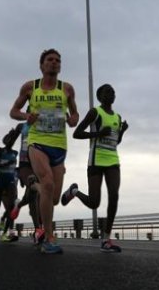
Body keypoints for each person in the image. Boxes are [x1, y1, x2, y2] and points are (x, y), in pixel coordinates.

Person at [10, 48, 79, 254]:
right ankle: (48, 237)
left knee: (53, 197)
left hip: (59, 145)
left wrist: (73, 119)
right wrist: (26, 117)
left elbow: (74, 114)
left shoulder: (66, 89)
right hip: (37, 142)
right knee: (48, 183)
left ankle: (34, 187)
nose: (54, 62)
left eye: (58, 60)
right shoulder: (30, 87)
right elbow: (13, 111)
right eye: (50, 60)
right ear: (41, 65)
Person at [61, 83, 129, 252]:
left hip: (113, 159)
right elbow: (77, 133)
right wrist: (98, 134)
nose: (111, 94)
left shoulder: (118, 117)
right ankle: (74, 192)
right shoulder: (95, 112)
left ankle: (106, 240)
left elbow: (115, 141)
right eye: (107, 92)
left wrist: (122, 132)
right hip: (96, 159)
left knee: (114, 195)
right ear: (100, 97)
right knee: (94, 203)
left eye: (113, 91)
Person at [0, 125, 22, 242]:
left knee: (12, 206)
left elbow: (18, 168)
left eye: (12, 139)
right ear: (4, 141)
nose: (10, 141)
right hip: (0, 182)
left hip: (11, 182)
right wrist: (4, 165)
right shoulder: (0, 151)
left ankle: (8, 233)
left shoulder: (16, 153)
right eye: (8, 139)